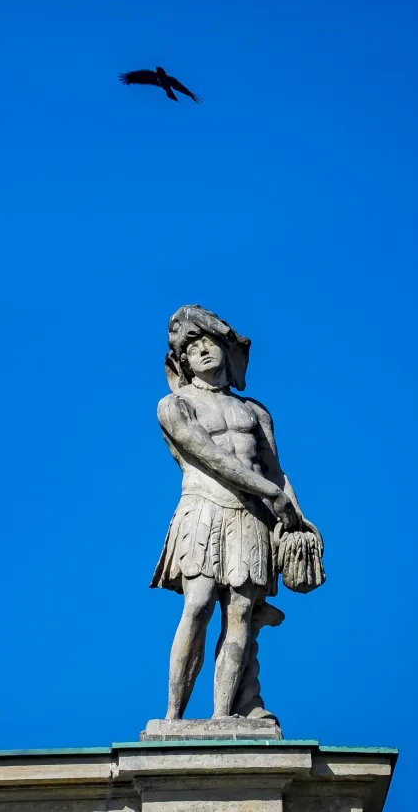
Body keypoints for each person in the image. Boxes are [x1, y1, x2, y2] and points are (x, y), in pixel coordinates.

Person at [151, 305, 318, 720]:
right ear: (182, 362)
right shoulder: (175, 406)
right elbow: (210, 458)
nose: (203, 351)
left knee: (241, 613)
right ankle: (173, 718)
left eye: (209, 342)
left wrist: (299, 518)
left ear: (227, 350)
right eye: (191, 348)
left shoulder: (255, 412)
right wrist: (270, 493)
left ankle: (224, 716)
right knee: (200, 604)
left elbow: (275, 473)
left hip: (251, 520)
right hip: (205, 510)